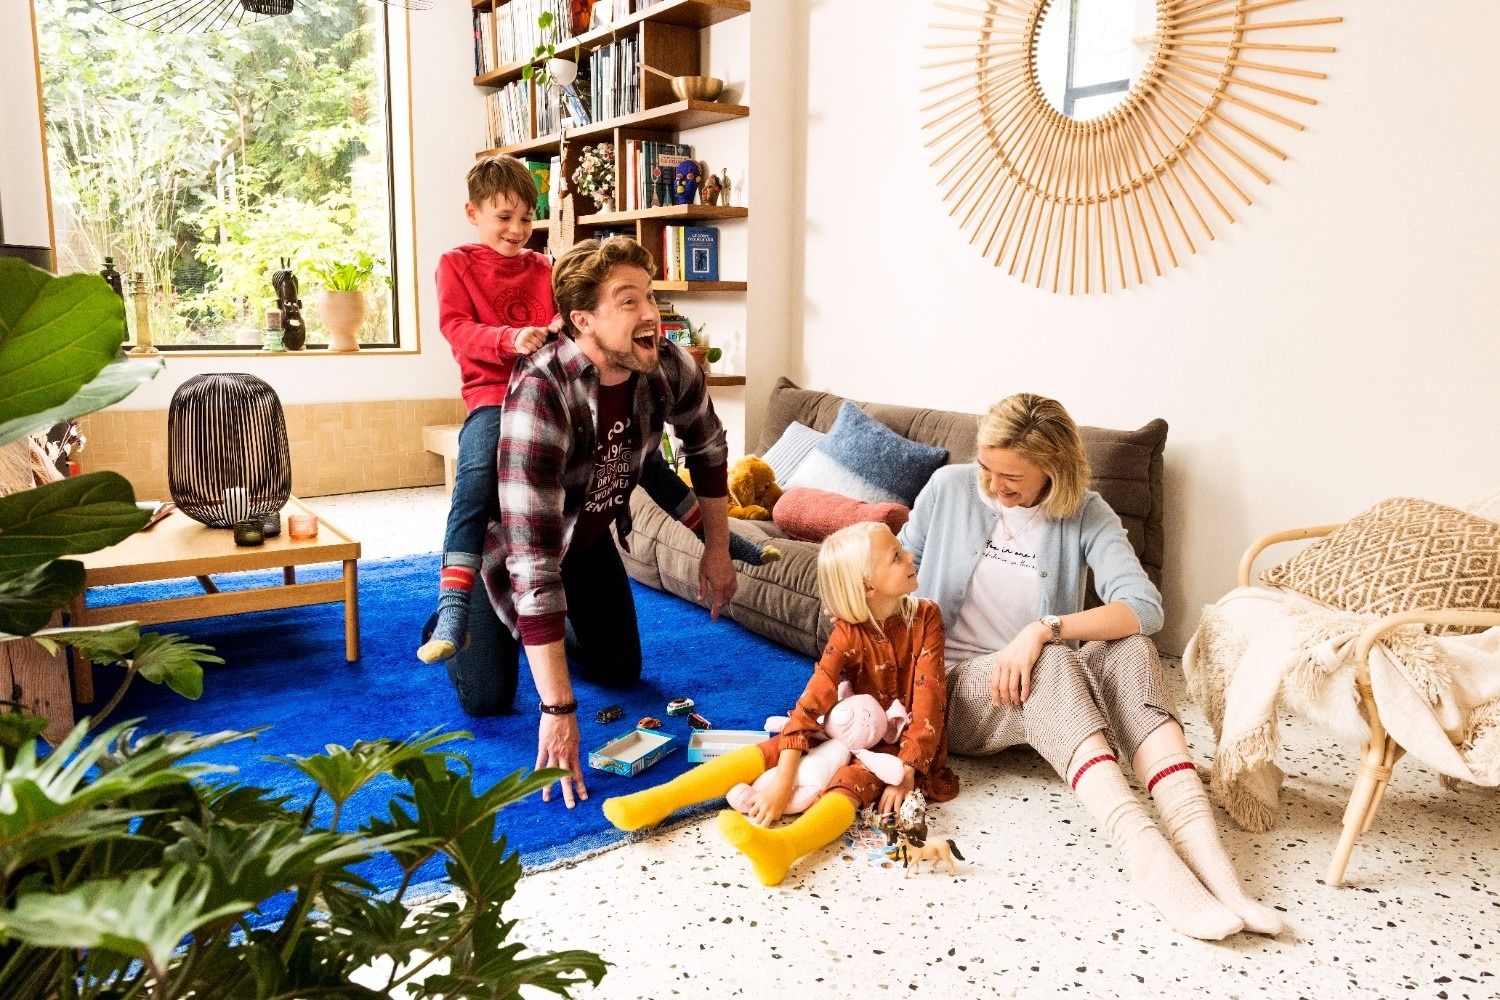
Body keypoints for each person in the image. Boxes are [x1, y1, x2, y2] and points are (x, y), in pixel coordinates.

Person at [899, 393, 1281, 940]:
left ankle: (1213, 865)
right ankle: (1149, 859)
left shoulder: (1085, 512)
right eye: (986, 467)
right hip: (954, 688)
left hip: (1043, 684)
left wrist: (1043, 627)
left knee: (1130, 646)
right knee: (1055, 660)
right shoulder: (948, 489)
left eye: (1012, 476)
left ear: (1053, 467)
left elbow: (1144, 608)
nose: (993, 485)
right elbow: (890, 571)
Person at [418, 158, 773, 664]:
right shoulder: (457, 264)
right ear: (472, 213)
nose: (517, 229)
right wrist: (510, 340)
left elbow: (569, 321)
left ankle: (716, 543)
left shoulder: (543, 268)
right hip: (495, 397)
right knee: (475, 480)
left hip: (569, 464)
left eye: (526, 218)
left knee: (642, 461)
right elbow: (456, 328)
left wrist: (716, 544)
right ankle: (454, 601)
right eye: (504, 218)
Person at [471, 235, 738, 809]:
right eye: (628, 301)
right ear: (582, 320)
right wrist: (558, 708)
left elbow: (709, 448)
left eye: (650, 296)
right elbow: (532, 560)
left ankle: (543, 635)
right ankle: (476, 621)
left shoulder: (666, 366)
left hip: (587, 541)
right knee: (487, 697)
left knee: (619, 670)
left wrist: (717, 550)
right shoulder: (541, 389)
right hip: (512, 554)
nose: (651, 314)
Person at [602, 521, 956, 886]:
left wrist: (906, 773)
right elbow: (810, 704)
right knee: (774, 748)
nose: (910, 557)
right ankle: (659, 801)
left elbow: (929, 701)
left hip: (899, 749)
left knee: (851, 781)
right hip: (845, 724)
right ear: (867, 586)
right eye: (896, 556)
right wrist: (782, 783)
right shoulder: (847, 632)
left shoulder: (926, 616)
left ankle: (784, 848)